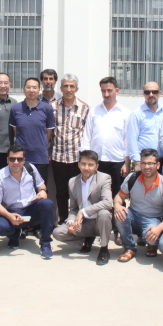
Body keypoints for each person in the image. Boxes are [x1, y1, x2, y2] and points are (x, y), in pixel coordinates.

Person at [0, 145, 55, 259]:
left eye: (19, 159)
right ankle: (14, 235)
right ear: (7, 160)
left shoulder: (30, 169)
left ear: (24, 160)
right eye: (12, 159)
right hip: (12, 212)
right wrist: (9, 216)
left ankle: (46, 243)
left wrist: (43, 191)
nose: (16, 162)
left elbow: (41, 185)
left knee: (47, 204)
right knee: (0, 227)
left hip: (31, 209)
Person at [53, 150, 112, 265]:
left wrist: (83, 211)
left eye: (90, 165)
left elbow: (108, 202)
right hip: (84, 224)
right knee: (58, 232)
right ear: (78, 164)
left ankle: (104, 249)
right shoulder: (72, 182)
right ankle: (86, 239)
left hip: (100, 222)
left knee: (104, 213)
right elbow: (74, 208)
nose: (86, 168)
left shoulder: (104, 178)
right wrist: (71, 222)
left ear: (96, 166)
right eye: (83, 164)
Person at [113, 148, 163, 262]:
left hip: (153, 218)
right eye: (144, 163)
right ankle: (129, 248)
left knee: (151, 238)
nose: (147, 167)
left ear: (158, 165)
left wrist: (159, 228)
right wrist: (117, 206)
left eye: (151, 163)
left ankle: (152, 245)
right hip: (134, 215)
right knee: (120, 215)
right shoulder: (132, 178)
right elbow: (119, 197)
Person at [81, 77, 131, 198]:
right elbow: (87, 136)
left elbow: (128, 140)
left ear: (117, 90)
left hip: (117, 161)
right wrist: (86, 161)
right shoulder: (94, 111)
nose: (106, 94)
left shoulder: (125, 112)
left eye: (109, 90)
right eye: (103, 91)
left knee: (116, 196)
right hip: (96, 161)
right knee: (95, 196)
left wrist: (127, 163)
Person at [51, 74, 90, 224]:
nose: (69, 89)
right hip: (58, 157)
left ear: (76, 88)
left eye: (72, 86)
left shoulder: (84, 107)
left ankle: (78, 221)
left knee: (78, 192)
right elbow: (49, 131)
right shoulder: (52, 107)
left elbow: (88, 132)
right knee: (61, 192)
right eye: (66, 86)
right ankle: (62, 220)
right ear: (61, 88)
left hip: (76, 158)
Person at [9, 77, 55, 182]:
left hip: (40, 157)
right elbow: (16, 132)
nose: (31, 90)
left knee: (40, 187)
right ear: (24, 89)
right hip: (21, 157)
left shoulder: (47, 108)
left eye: (34, 88)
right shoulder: (16, 108)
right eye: (28, 87)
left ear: (39, 90)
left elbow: (48, 133)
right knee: (21, 186)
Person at [127, 81, 163, 171]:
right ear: (143, 94)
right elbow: (132, 139)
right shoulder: (137, 113)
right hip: (145, 162)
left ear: (160, 93)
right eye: (147, 92)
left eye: (154, 92)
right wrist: (137, 162)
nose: (151, 94)